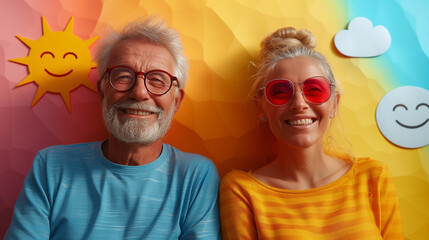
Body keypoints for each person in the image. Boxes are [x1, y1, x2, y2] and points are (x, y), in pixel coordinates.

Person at [5, 16, 220, 239]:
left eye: (157, 79)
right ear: (101, 92)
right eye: (124, 76)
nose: (139, 93)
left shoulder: (196, 176)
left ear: (176, 101)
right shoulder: (51, 167)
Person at [219, 27, 403, 239]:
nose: (299, 104)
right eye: (280, 92)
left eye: (315, 90)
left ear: (335, 103)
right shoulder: (241, 191)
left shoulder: (373, 177)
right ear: (261, 107)